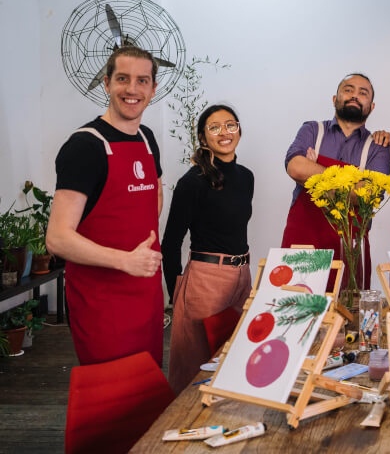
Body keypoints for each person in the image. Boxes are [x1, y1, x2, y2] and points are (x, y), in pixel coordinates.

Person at [46, 45, 164, 366]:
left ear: (153, 89)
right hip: (102, 302)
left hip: (146, 293)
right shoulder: (85, 146)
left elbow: (154, 191)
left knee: (147, 390)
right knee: (112, 398)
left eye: (142, 81)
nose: (132, 89)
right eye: (123, 78)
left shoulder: (147, 138)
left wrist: (140, 251)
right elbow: (57, 238)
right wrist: (125, 259)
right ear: (107, 83)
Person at [161, 104, 254, 394]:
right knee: (196, 366)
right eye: (214, 127)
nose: (224, 132)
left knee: (233, 358)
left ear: (239, 129)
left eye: (230, 125)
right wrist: (176, 293)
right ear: (203, 137)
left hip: (243, 276)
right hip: (206, 279)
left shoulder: (247, 177)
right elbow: (171, 242)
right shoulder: (193, 183)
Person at [282, 73, 390, 290]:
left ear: (372, 106)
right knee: (296, 312)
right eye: (348, 89)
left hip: (350, 250)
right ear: (335, 98)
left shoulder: (378, 145)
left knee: (348, 316)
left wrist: (315, 175)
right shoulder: (312, 130)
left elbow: (370, 193)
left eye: (363, 93)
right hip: (304, 245)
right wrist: (352, 186)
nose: (355, 96)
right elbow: (295, 167)